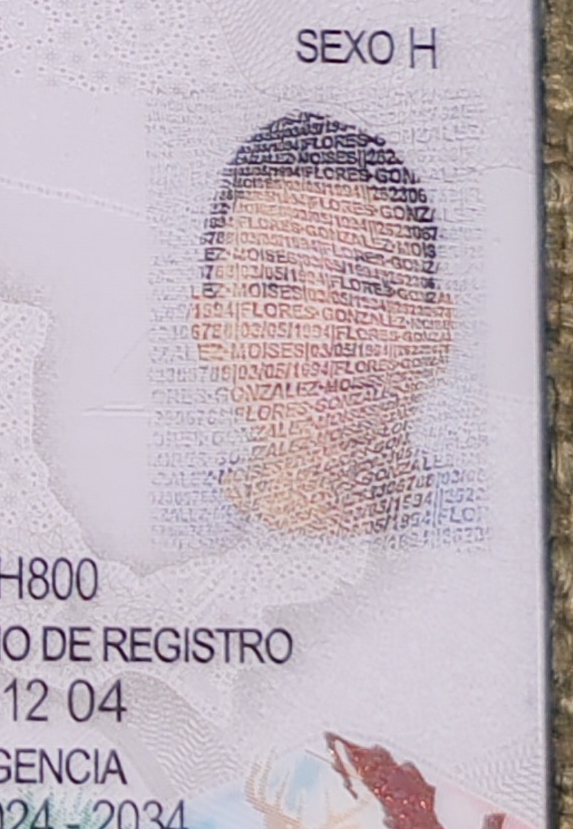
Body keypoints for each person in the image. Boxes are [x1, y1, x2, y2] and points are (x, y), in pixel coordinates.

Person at [177, 108, 477, 544]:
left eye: (372, 286)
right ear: (209, 327)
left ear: (437, 330)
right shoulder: (140, 543)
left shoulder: (509, 530)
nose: (323, 335)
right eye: (274, 286)